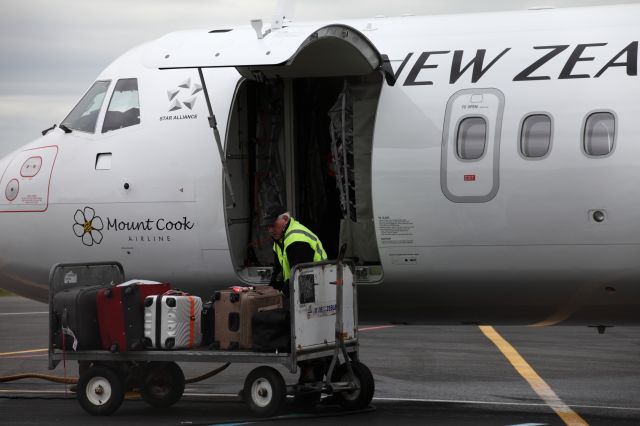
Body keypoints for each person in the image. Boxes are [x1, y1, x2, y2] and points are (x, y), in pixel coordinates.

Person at [264, 204, 327, 297]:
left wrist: (281, 295)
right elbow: (278, 272)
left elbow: (299, 274)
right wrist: (269, 291)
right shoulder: (279, 240)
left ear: (285, 219)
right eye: (267, 226)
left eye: (273, 225)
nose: (270, 230)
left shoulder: (297, 239)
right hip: (302, 287)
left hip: (316, 287)